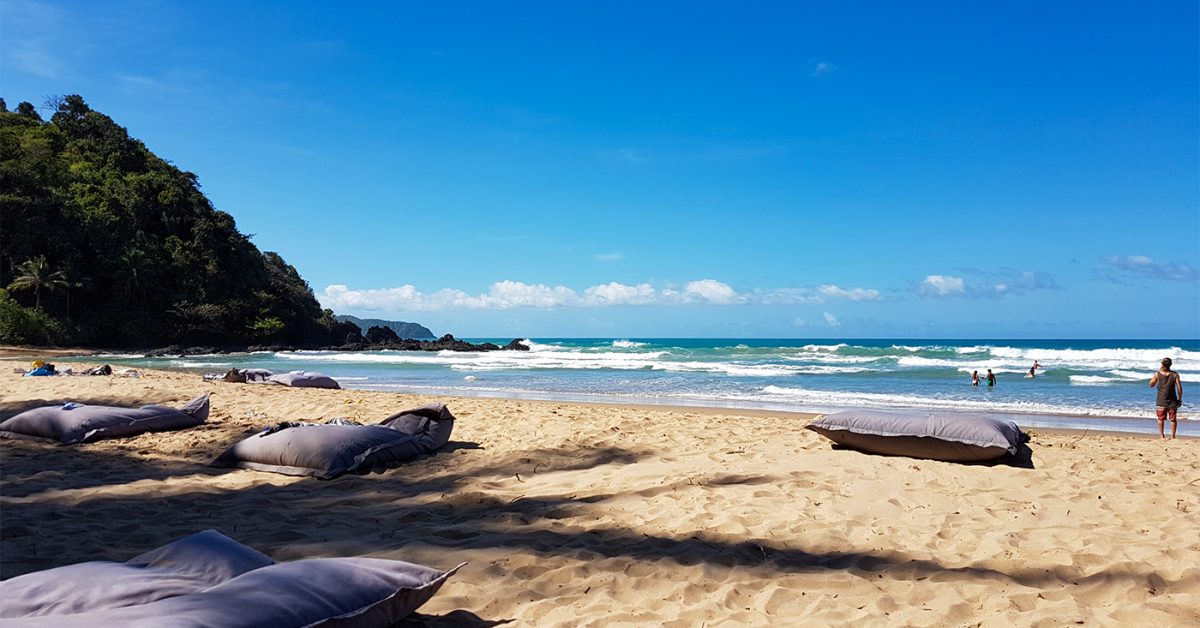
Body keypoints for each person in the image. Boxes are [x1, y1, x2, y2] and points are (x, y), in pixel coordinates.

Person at [1149, 357, 1183, 439]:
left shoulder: (1157, 374)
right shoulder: (1175, 375)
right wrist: (1180, 399)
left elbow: (1151, 385)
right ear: (1170, 365)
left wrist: (1155, 379)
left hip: (1161, 400)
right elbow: (1179, 388)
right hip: (1173, 400)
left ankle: (1162, 436)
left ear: (1162, 364)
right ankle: (1173, 436)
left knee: (1160, 419)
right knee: (1173, 419)